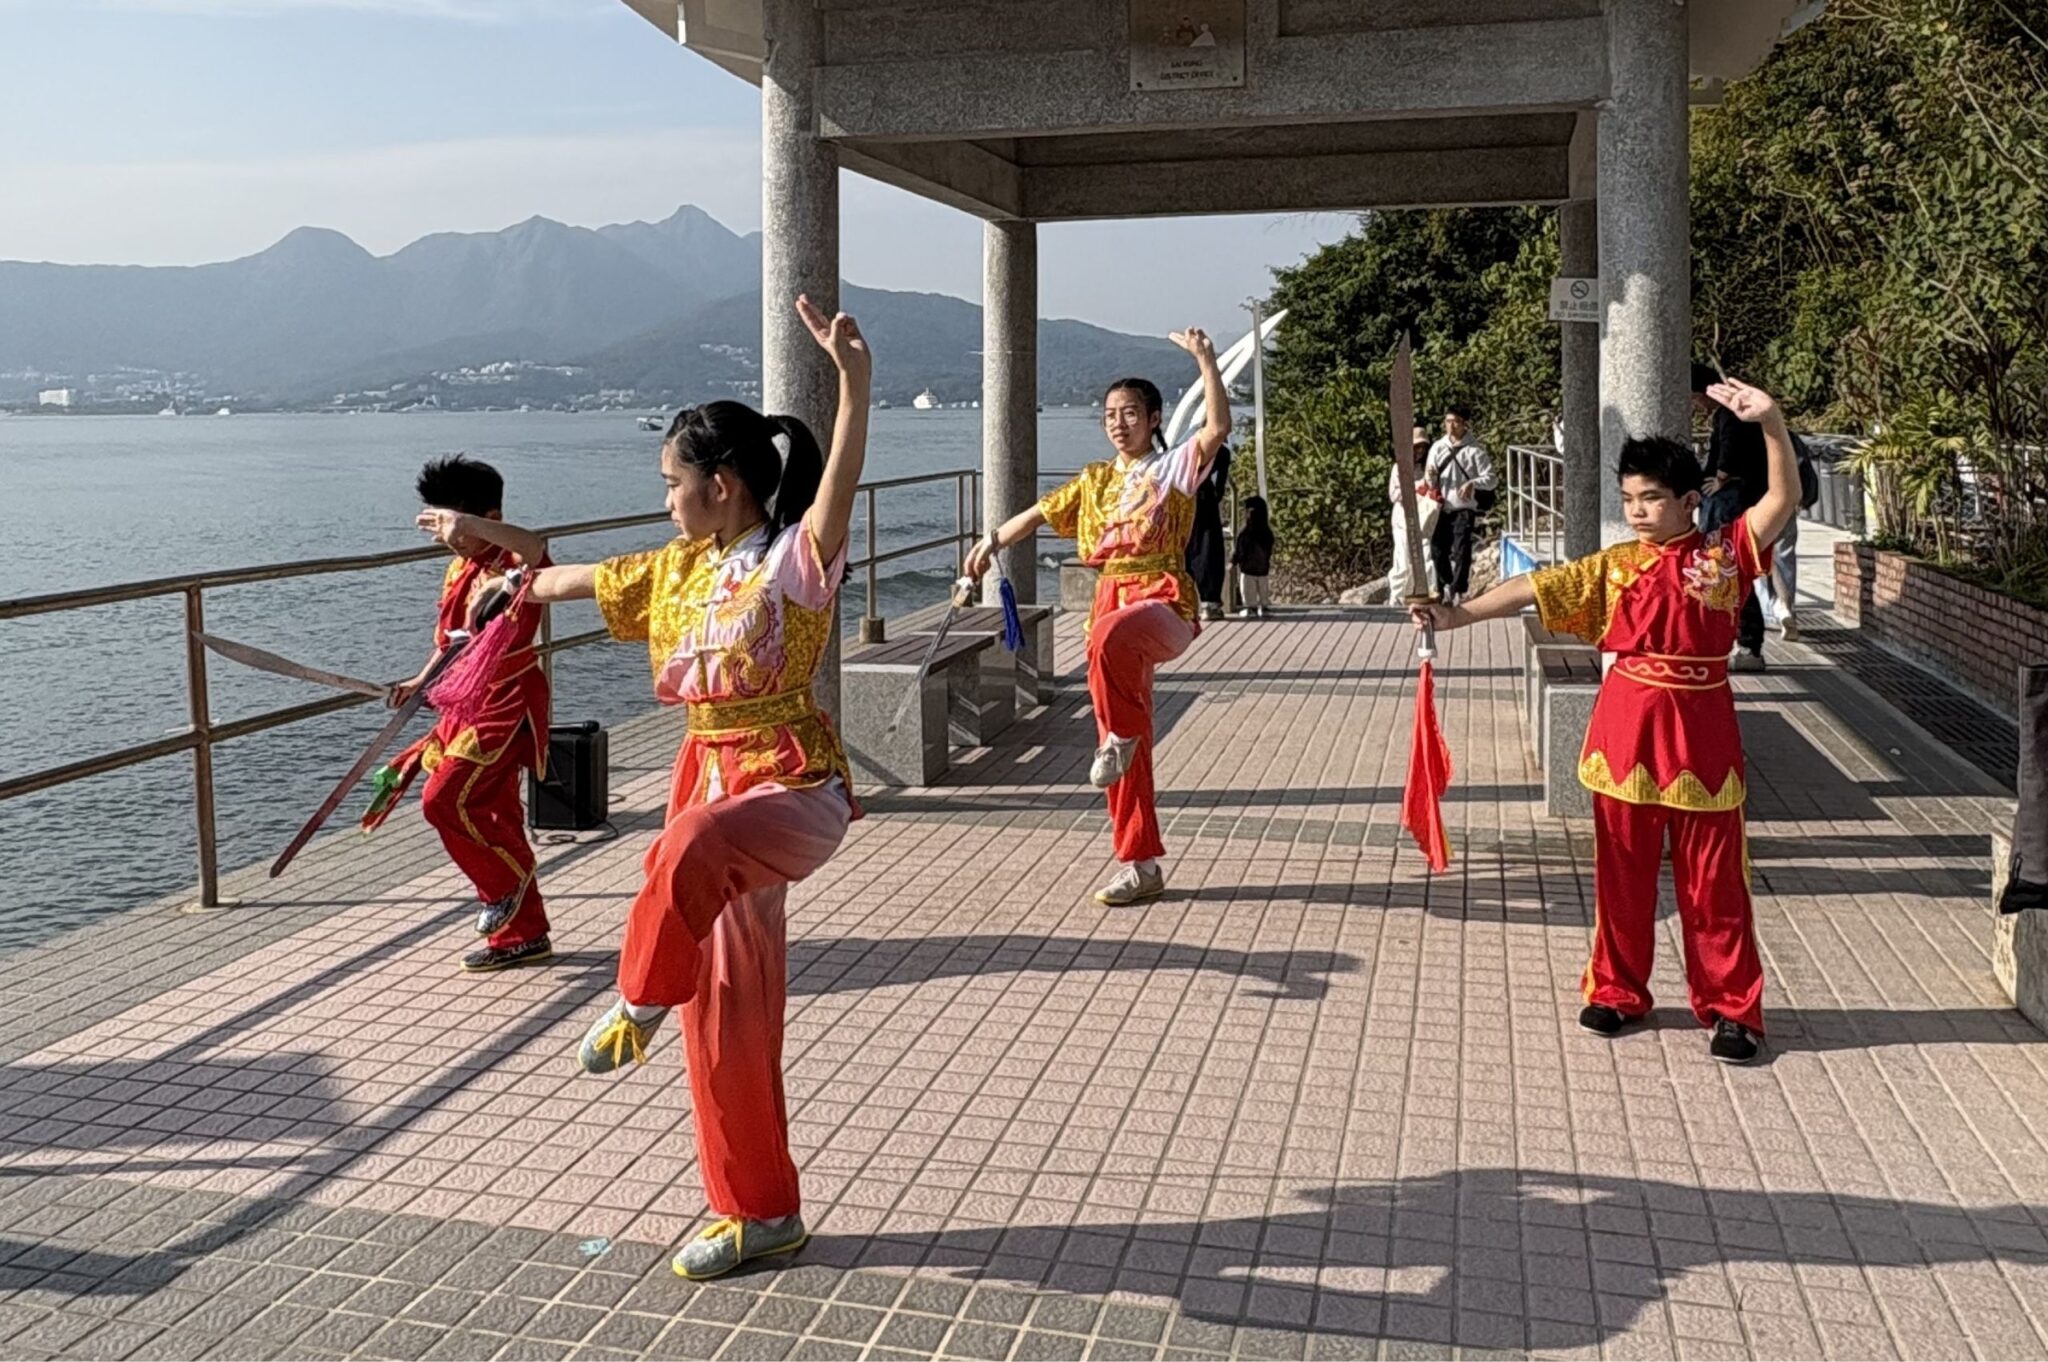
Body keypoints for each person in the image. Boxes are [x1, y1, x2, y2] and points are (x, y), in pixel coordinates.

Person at [522, 296, 869, 1281]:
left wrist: (854, 383)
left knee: (685, 849)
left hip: (788, 785)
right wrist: (498, 560)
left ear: (721, 486)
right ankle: (758, 1213)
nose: (663, 500)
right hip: (703, 773)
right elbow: (564, 579)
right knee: (729, 1020)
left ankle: (635, 999)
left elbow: (837, 479)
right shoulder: (678, 571)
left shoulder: (793, 563)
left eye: (670, 484)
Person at [1411, 377, 1801, 1066]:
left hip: (1703, 737)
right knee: (1621, 876)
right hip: (1625, 732)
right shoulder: (1616, 569)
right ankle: (1619, 990)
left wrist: (1770, 423)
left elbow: (1783, 499)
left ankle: (1733, 1008)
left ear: (1691, 499)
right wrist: (1460, 613)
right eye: (1630, 500)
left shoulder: (1725, 556)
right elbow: (1537, 587)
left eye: (1652, 498)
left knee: (1714, 884)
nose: (1640, 511)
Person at [966, 329, 1230, 907]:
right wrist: (989, 543)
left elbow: (1216, 429)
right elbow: (1039, 513)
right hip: (1109, 600)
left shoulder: (1174, 469)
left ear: (1154, 417)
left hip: (1160, 598)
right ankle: (1139, 862)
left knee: (1112, 649)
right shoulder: (1096, 480)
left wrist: (1207, 362)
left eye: (1130, 413)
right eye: (1111, 414)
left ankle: (1121, 736)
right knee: (1121, 752)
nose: (1119, 423)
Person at [371, 454, 553, 974]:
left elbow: (538, 548)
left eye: (455, 527)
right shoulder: (460, 569)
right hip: (464, 701)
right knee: (496, 813)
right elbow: (454, 642)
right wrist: (419, 681)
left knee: (443, 799)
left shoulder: (517, 566)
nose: (447, 539)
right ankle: (523, 936)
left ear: (486, 519)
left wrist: (472, 527)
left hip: (506, 701)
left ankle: (508, 886)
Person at [1691, 363, 1772, 669]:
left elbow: (1729, 450)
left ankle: (1746, 642)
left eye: (1695, 398)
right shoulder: (1728, 414)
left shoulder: (1730, 414)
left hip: (1730, 499)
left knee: (1725, 568)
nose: (1696, 406)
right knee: (1725, 570)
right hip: (1736, 496)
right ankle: (1742, 642)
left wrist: (1720, 478)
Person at [1423, 405, 1494, 605]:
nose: (1450, 426)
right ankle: (1444, 585)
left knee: (1461, 548)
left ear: (1464, 424)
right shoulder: (1438, 447)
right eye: (1447, 421)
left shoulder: (1475, 450)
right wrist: (1431, 478)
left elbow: (1491, 478)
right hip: (1440, 507)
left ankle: (1458, 589)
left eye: (1455, 421)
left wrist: (1473, 483)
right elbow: (1431, 477)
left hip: (1463, 507)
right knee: (1437, 549)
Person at [1387, 425, 1440, 604]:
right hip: (1403, 520)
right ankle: (1396, 598)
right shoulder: (1398, 468)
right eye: (1416, 447)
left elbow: (1433, 490)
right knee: (1402, 561)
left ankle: (1429, 593)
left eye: (1422, 448)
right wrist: (1413, 489)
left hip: (1422, 520)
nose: (1419, 451)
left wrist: (1430, 482)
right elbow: (1394, 495)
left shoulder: (1426, 468)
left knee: (1426, 558)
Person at [1184, 441, 1232, 620]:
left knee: (1186, 549)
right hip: (1207, 501)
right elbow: (1220, 484)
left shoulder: (1189, 448)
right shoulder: (1223, 453)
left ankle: (1185, 603)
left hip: (1185, 497)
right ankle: (1210, 603)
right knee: (1209, 551)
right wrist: (1214, 497)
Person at [1231, 494, 1274, 618]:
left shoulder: (1245, 532)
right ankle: (1264, 607)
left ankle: (1251, 608)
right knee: (1263, 587)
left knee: (1248, 589)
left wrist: (1233, 561)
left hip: (1247, 569)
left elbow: (1239, 550)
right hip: (1263, 568)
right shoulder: (1267, 532)